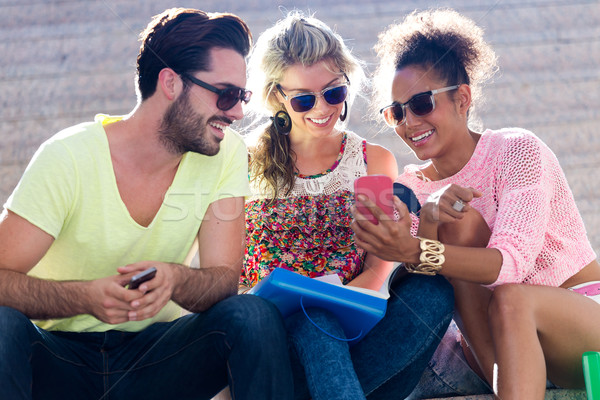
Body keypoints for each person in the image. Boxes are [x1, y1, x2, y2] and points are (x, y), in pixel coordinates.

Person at [0, 8, 294, 400]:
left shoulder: (225, 154)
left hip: (158, 359)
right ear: (171, 82)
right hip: (58, 360)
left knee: (253, 316)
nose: (238, 113)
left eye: (241, 97)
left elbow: (223, 282)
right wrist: (84, 297)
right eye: (225, 94)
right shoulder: (68, 156)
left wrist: (174, 279)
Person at [353, 8, 600, 399]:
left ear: (462, 98)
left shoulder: (517, 151)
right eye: (396, 112)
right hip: (493, 351)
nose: (408, 123)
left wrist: (417, 246)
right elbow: (418, 288)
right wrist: (421, 226)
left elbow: (510, 266)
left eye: (420, 103)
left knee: (510, 294)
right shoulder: (410, 188)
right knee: (455, 226)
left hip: (581, 321)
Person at [241, 11, 454, 400]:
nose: (322, 108)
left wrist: (349, 298)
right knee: (314, 319)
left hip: (353, 326)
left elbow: (378, 264)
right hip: (270, 340)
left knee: (433, 294)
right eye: (304, 99)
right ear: (276, 98)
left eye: (334, 93)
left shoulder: (372, 159)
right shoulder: (242, 162)